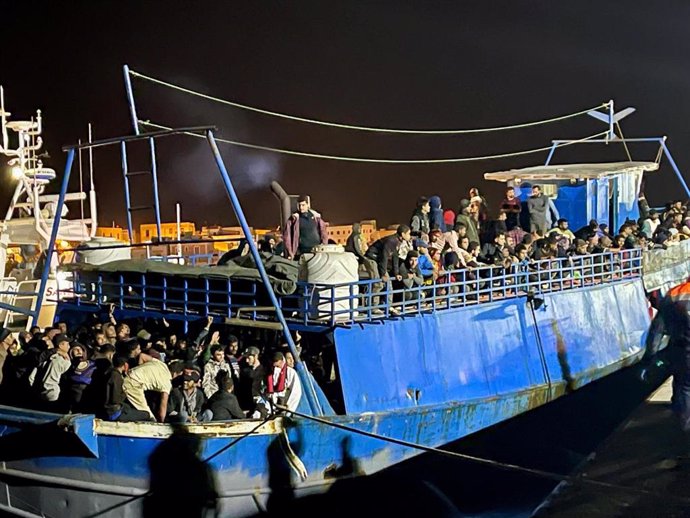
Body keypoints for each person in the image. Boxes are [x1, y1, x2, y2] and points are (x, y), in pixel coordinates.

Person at [122, 358, 173, 422]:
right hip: (133, 384)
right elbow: (163, 407)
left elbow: (142, 356)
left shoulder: (161, 364)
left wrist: (139, 370)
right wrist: (161, 422)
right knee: (147, 414)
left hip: (127, 375)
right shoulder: (167, 383)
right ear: (176, 374)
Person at [282, 195, 328, 259]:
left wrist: (324, 245)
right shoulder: (294, 219)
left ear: (307, 205)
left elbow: (323, 232)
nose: (301, 207)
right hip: (301, 252)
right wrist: (290, 252)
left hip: (316, 251)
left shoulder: (316, 217)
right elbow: (287, 236)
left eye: (303, 205)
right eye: (299, 205)